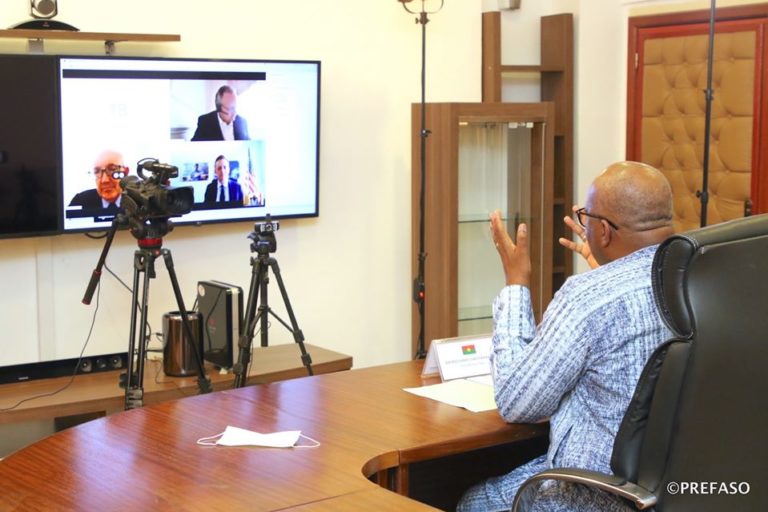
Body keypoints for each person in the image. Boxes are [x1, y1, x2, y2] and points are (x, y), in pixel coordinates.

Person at [456, 161, 675, 512]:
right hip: (670, 488)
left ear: (604, 231)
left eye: (586, 217)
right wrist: (609, 272)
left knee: (472, 502)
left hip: (590, 495)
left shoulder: (586, 298)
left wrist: (516, 283)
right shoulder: (700, 278)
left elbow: (517, 402)